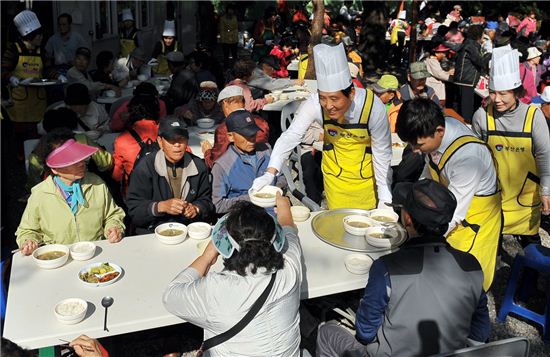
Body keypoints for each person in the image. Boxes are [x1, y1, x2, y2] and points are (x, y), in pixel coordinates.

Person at [316, 179, 490, 356]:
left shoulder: (386, 267)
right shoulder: (472, 266)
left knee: (326, 333)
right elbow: (480, 333)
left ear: (407, 218)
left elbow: (365, 332)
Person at [253, 43, 393, 210]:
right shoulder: (315, 103)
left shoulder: (372, 107)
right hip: (334, 179)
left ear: (352, 93)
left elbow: (382, 152)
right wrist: (270, 173)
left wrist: (384, 196)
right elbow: (291, 135)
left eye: (334, 99)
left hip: (367, 180)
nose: (328, 105)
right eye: (323, 98)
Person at [163, 196, 302, 356]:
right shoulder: (290, 265)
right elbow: (288, 228)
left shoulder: (215, 289)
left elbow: (170, 295)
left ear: (226, 244)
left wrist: (206, 257)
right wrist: (284, 204)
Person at [396, 98, 501, 291]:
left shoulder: (468, 159)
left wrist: (419, 241)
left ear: (439, 132)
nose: (414, 150)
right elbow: (429, 172)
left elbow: (453, 216)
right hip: (449, 205)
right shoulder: (436, 131)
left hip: (473, 220)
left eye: (418, 144)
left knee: (461, 283)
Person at [471, 45, 550, 249]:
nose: (496, 100)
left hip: (525, 197)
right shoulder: (482, 116)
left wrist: (547, 189)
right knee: (490, 244)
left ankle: (531, 281)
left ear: (516, 92)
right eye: (492, 93)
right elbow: (474, 156)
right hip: (492, 196)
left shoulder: (533, 117)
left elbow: (544, 155)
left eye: (503, 93)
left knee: (531, 245)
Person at [16, 137, 125, 255]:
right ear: (55, 169)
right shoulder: (40, 194)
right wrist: (29, 241)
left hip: (95, 253)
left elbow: (113, 214)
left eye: (82, 159)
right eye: (73, 161)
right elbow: (27, 230)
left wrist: (114, 227)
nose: (82, 164)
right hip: (59, 258)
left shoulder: (96, 183)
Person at [126, 117, 215, 234]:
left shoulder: (198, 166)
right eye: (171, 140)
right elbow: (134, 210)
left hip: (188, 229)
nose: (177, 144)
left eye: (181, 139)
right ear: (160, 141)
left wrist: (196, 208)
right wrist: (160, 207)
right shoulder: (145, 167)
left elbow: (207, 201)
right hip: (153, 231)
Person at [2, 10, 63, 156]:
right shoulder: (13, 50)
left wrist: (58, 76)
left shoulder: (41, 51)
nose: (41, 38)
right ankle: (20, 157)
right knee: (20, 133)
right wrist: (11, 78)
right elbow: (2, 70)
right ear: (30, 36)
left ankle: (37, 157)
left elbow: (48, 69)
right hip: (19, 102)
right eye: (39, 35)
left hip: (38, 101)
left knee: (38, 132)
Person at [211, 110, 282, 215]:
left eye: (253, 133)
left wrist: (274, 190)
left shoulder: (266, 150)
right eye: (245, 135)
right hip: (243, 218)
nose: (251, 139)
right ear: (230, 136)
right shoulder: (222, 166)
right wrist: (251, 198)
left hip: (273, 211)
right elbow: (217, 205)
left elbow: (282, 176)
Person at [27, 109, 113, 193]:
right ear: (72, 126)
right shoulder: (82, 140)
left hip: (54, 192)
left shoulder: (38, 152)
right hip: (87, 187)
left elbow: (34, 182)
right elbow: (106, 163)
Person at [201, 86, 270, 168]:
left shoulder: (224, 128)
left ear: (225, 103)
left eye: (221, 106)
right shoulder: (261, 121)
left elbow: (215, 162)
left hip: (237, 171)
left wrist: (207, 152)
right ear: (243, 102)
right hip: (264, 165)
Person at [112, 90, 160, 196]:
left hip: (136, 194)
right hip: (165, 193)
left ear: (130, 112)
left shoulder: (122, 140)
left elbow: (117, 175)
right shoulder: (166, 132)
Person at [453, 25, 488, 123]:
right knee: (466, 111)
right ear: (478, 36)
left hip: (460, 79)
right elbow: (480, 61)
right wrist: (489, 55)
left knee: (458, 108)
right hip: (466, 81)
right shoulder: (471, 46)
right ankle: (466, 129)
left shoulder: (467, 43)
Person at [218, 4, 239, 69]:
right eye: (229, 10)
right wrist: (222, 40)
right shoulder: (222, 19)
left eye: (232, 10)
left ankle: (236, 68)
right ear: (227, 10)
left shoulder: (235, 17)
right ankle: (226, 68)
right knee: (226, 56)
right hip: (225, 40)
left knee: (234, 55)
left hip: (234, 40)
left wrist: (235, 36)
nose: (231, 11)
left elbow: (236, 27)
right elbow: (221, 30)